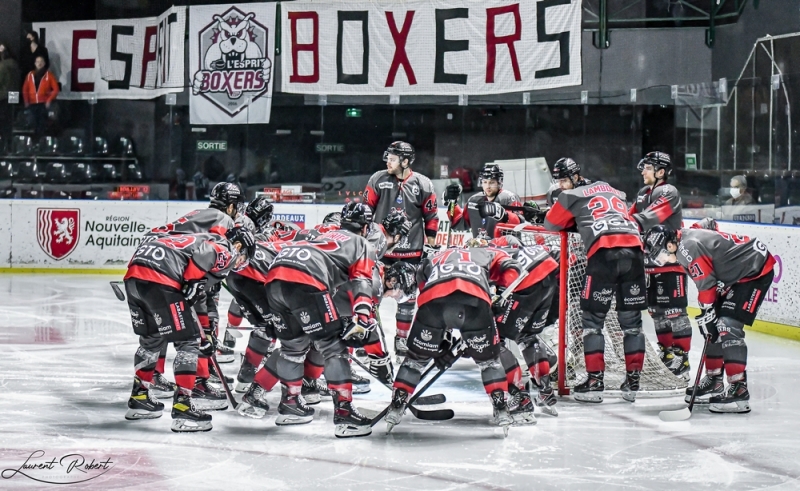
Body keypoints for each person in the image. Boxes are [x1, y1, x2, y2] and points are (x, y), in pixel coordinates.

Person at [263, 202, 380, 438]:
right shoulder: (361, 242)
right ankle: (345, 412)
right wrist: (364, 315)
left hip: (274, 275)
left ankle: (290, 404)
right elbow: (362, 281)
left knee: (292, 347)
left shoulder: (319, 232)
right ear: (365, 227)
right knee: (334, 347)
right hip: (306, 277)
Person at [122, 228, 254, 432]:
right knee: (189, 342)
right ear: (239, 247)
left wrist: (204, 330)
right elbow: (208, 253)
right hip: (160, 278)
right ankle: (183, 405)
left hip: (134, 275)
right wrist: (192, 281)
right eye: (243, 259)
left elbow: (194, 298)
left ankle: (139, 397)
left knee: (151, 339)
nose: (238, 265)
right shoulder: (226, 248)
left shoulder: (194, 238)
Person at [385, 246, 521, 435]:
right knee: (489, 361)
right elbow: (513, 267)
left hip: (433, 305)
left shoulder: (434, 257)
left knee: (415, 361)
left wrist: (440, 341)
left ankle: (397, 404)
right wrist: (503, 293)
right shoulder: (488, 252)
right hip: (475, 304)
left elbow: (424, 290)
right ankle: (501, 407)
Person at [543, 158, 646, 403]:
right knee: (632, 323)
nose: (561, 184)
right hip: (634, 251)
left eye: (563, 179)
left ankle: (595, 381)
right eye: (559, 180)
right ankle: (633, 382)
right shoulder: (611, 189)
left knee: (592, 321)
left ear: (575, 177)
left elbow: (550, 224)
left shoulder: (569, 196)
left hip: (604, 254)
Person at [644, 225, 775, 413]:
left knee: (726, 325)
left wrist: (707, 310)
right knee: (711, 325)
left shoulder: (688, 248)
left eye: (660, 254)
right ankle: (714, 381)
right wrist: (707, 315)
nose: (660, 259)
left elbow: (707, 285)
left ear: (670, 245)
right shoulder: (683, 241)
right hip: (737, 274)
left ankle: (739, 388)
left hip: (754, 271)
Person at [363, 141, 439, 363]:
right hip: (381, 251)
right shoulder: (377, 179)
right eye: (388, 157)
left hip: (411, 253)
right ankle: (369, 339)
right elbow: (367, 210)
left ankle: (401, 339)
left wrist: (431, 246)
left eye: (393, 158)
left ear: (405, 161)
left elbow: (431, 217)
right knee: (372, 296)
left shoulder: (423, 184)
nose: (388, 161)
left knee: (408, 300)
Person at [629, 152, 691, 379]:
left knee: (675, 313)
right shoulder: (644, 193)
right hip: (649, 264)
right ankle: (666, 356)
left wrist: (626, 222)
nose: (642, 171)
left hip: (670, 264)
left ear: (661, 171)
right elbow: (631, 215)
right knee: (657, 313)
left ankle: (681, 360)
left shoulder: (668, 191)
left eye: (647, 168)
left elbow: (649, 217)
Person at [444, 163, 524, 238]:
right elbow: (459, 224)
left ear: (499, 182)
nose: (488, 186)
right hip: (480, 249)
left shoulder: (509, 198)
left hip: (505, 250)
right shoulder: (474, 200)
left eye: (492, 182)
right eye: (485, 182)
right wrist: (452, 203)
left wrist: (504, 215)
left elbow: (520, 223)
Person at [22, 55, 58, 138]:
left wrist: (49, 100)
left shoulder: (49, 75)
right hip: (32, 104)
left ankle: (40, 142)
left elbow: (55, 89)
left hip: (43, 104)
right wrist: (26, 101)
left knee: (42, 124)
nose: (39, 63)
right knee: (33, 123)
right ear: (35, 63)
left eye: (41, 61)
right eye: (37, 62)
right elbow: (25, 89)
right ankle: (33, 142)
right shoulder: (30, 75)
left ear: (44, 63)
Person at [0, 43, 20, 142]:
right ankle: (10, 144)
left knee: (3, 121)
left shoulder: (2, 65)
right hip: (14, 93)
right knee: (11, 120)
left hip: (3, 95)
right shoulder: (15, 64)